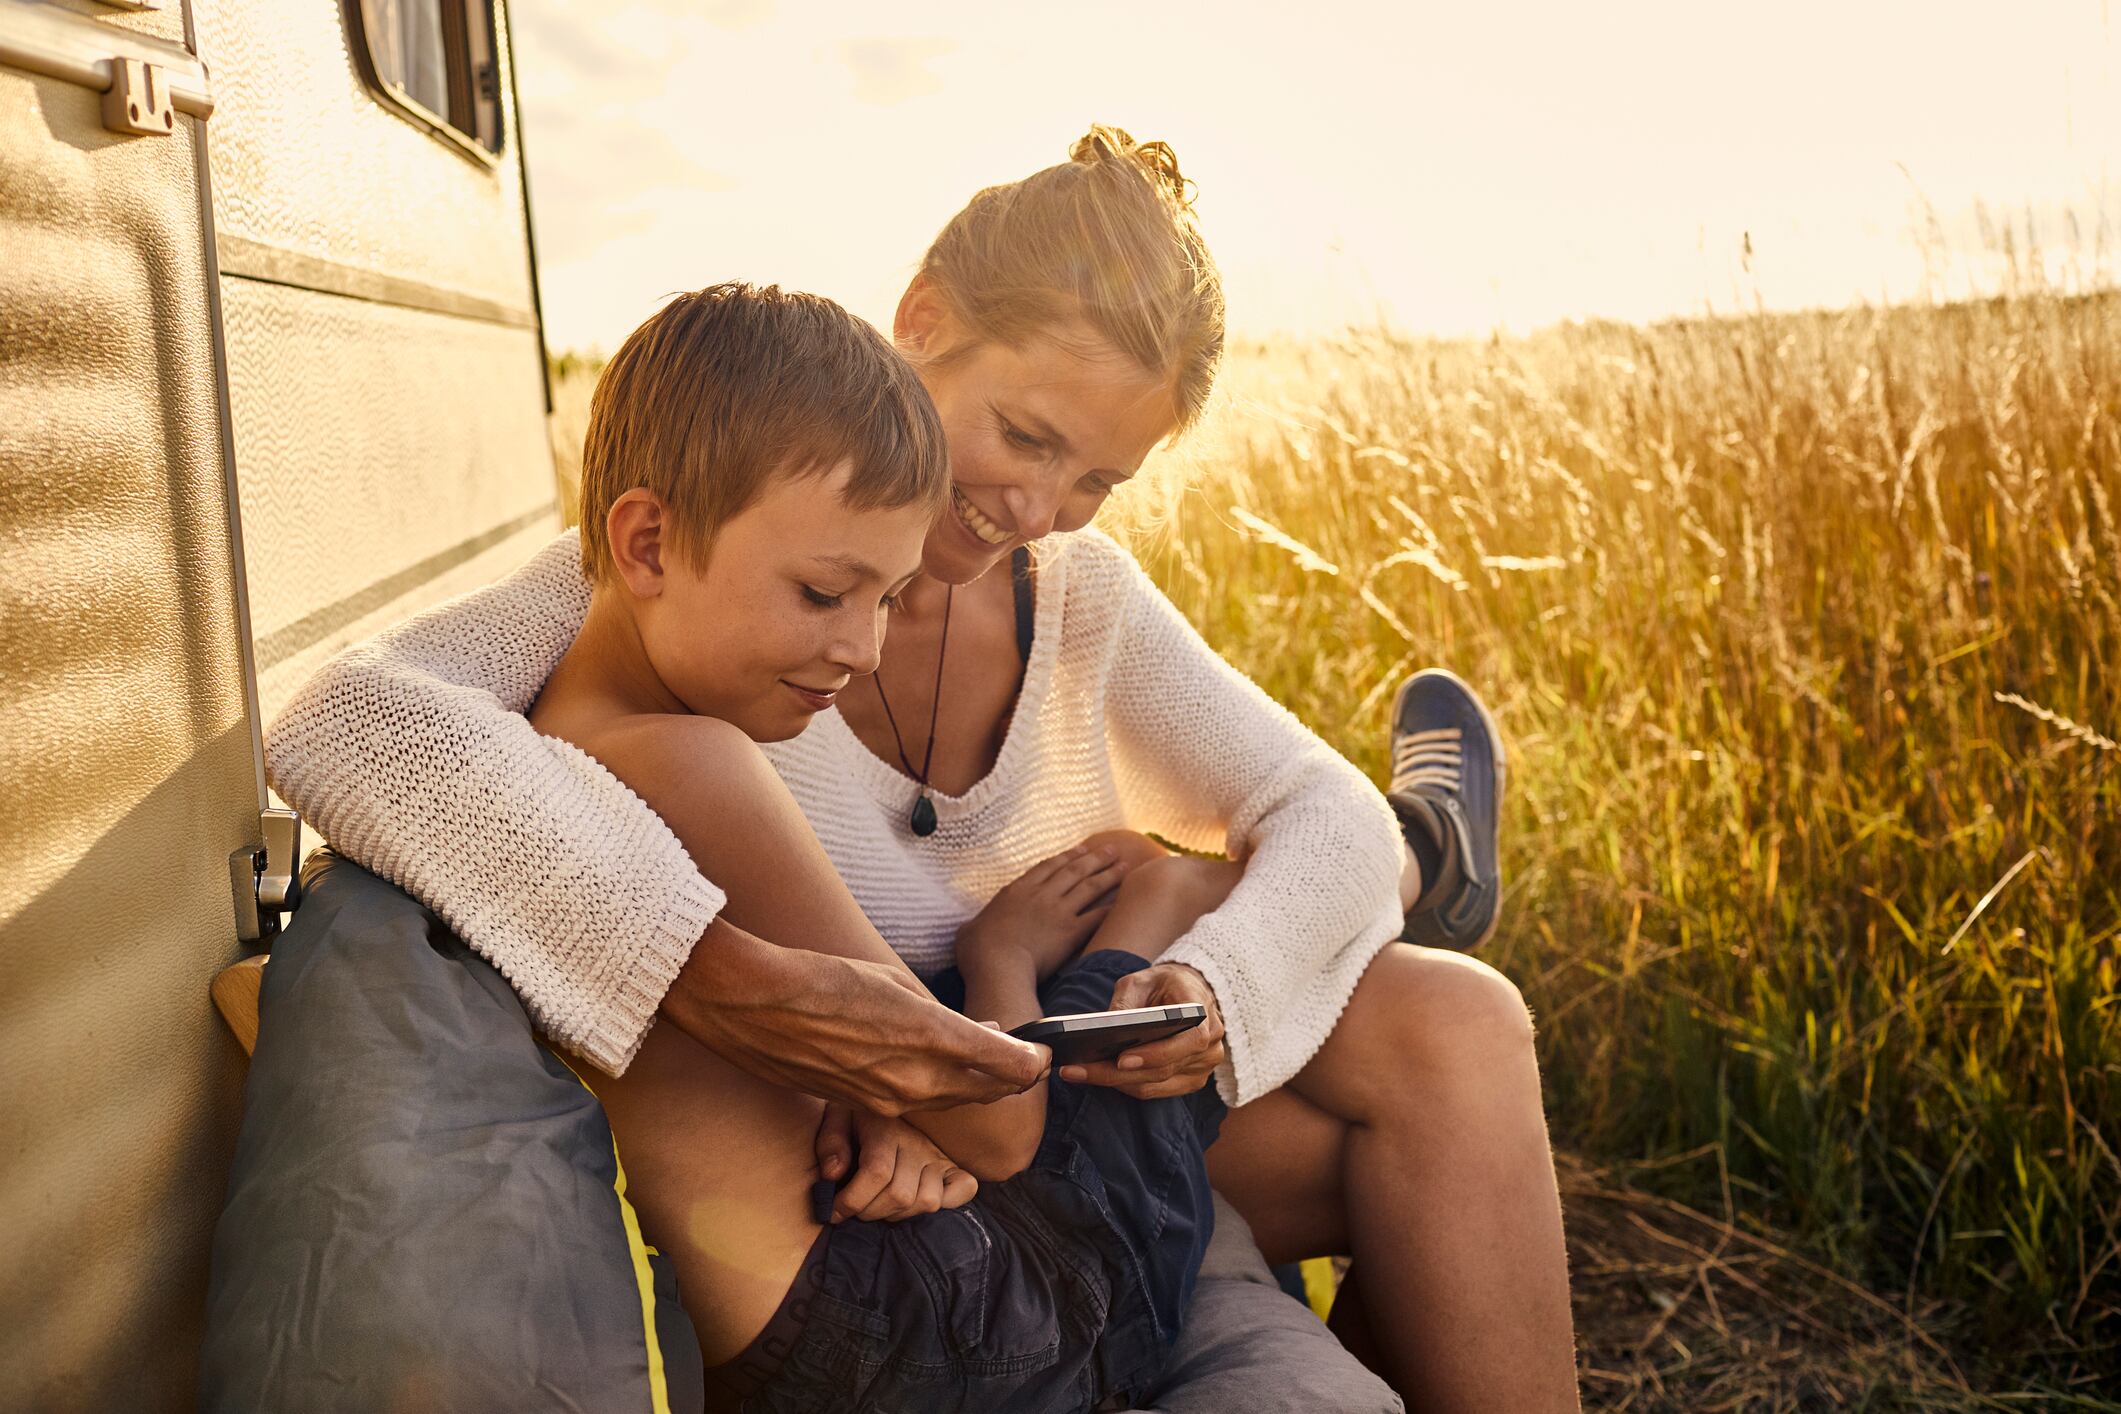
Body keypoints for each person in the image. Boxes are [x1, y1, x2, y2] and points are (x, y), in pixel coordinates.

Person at [269, 126, 1579, 1411]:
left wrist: (1219, 994)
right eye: (1023, 435)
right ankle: (1424, 858)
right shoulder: (691, 562)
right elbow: (345, 724)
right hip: (948, 1165)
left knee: (1455, 1016)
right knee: (1165, 889)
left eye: (1097, 481)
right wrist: (728, 985)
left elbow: (1316, 810)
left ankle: (1412, 860)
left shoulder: (1078, 599)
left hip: (1027, 1092)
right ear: (924, 319)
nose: (1037, 508)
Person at [524, 279, 1234, 1410]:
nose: (860, 649)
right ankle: (1217, 889)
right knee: (1151, 884)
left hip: (862, 1304)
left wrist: (889, 1099)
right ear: (646, 541)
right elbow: (997, 1128)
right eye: (823, 591)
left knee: (1133, 873)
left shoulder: (552, 726)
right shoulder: (697, 765)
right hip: (953, 1330)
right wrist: (1001, 957)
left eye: (892, 600)